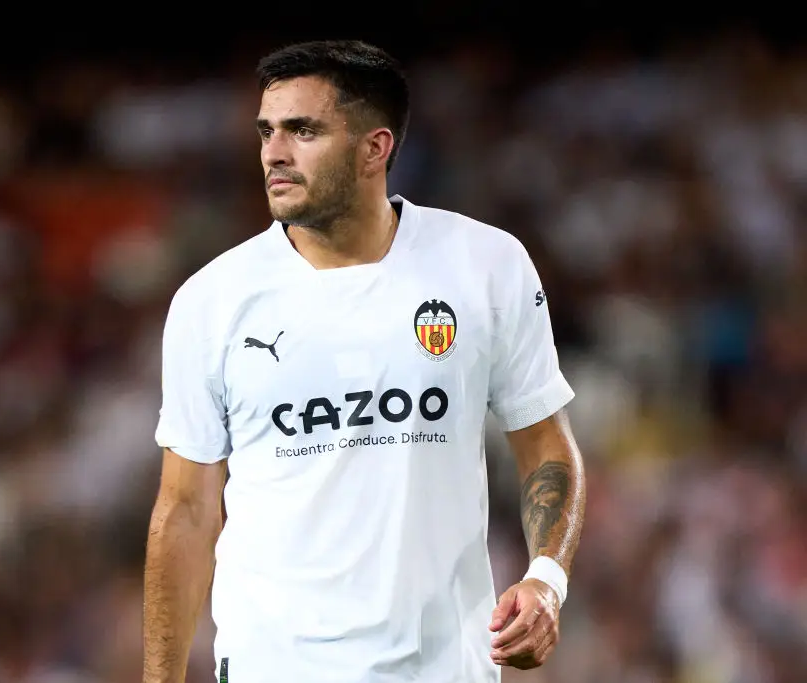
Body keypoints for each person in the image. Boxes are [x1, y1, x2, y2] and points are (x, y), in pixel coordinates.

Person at [143, 40, 586, 683]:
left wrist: (547, 579)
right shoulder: (211, 302)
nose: (274, 152)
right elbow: (184, 510)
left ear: (375, 148)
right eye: (267, 131)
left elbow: (546, 443)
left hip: (444, 668)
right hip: (275, 666)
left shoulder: (486, 265)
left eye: (303, 130)